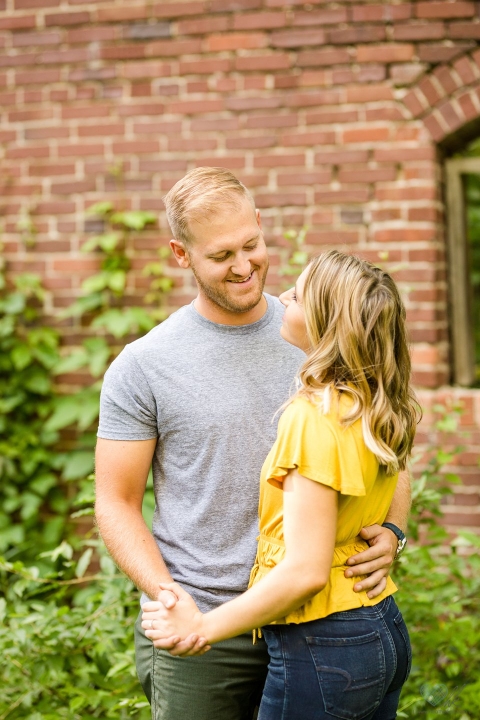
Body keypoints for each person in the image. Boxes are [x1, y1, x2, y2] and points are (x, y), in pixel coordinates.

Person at [95, 168, 412, 720]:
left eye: (252, 245)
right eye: (222, 256)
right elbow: (115, 502)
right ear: (181, 254)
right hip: (208, 630)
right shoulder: (144, 366)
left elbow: (387, 446)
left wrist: (392, 530)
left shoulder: (318, 331)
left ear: (262, 227)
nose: (244, 266)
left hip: (318, 624)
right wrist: (170, 598)